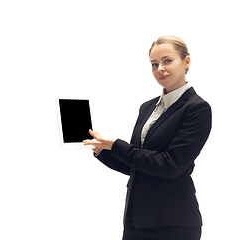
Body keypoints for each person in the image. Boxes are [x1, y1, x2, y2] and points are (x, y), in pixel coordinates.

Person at [83, 35, 212, 240]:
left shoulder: (197, 108)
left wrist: (117, 146)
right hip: (137, 218)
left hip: (174, 222)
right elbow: (138, 165)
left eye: (167, 61)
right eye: (154, 64)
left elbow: (170, 165)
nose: (159, 68)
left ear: (186, 61)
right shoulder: (147, 107)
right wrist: (104, 151)